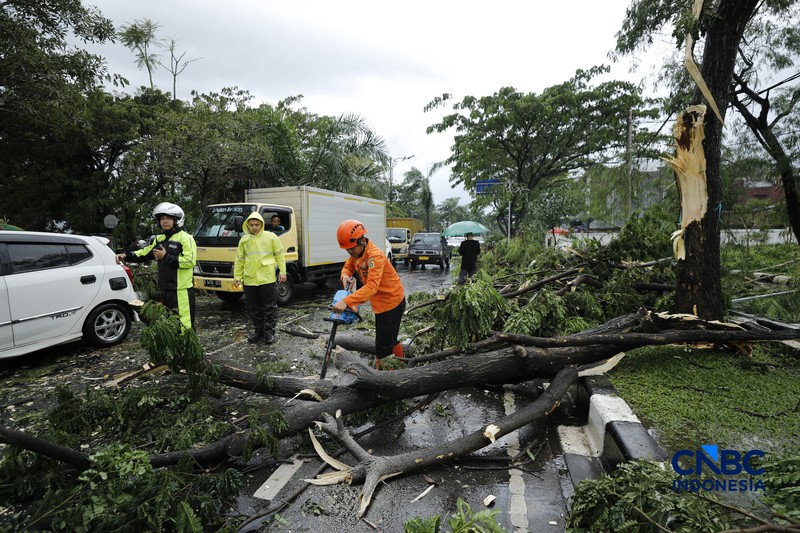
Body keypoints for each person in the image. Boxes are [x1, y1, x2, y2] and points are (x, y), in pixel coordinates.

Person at [333, 219, 405, 370]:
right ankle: (400, 365)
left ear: (361, 240)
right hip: (381, 303)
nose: (349, 252)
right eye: (347, 250)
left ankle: (385, 378)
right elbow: (348, 267)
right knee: (388, 339)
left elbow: (372, 287)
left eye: (351, 249)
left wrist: (347, 301)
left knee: (382, 347)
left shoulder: (375, 256)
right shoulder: (357, 254)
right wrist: (345, 275)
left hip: (391, 302)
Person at [116, 202, 197, 330]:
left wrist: (166, 257)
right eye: (162, 219)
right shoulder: (159, 239)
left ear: (177, 220)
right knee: (170, 322)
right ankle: (172, 346)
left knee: (184, 325)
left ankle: (185, 348)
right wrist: (127, 255)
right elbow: (146, 252)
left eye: (169, 218)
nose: (165, 221)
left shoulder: (185, 238)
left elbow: (190, 261)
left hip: (181, 290)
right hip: (165, 288)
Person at [233, 211, 287, 344]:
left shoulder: (271, 237)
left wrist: (283, 272)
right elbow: (239, 260)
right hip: (250, 279)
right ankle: (258, 332)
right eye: (251, 225)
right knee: (254, 308)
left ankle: (269, 333)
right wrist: (237, 277)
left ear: (261, 224)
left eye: (257, 224)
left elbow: (280, 255)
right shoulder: (244, 240)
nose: (254, 227)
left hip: (267, 279)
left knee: (269, 307)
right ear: (248, 225)